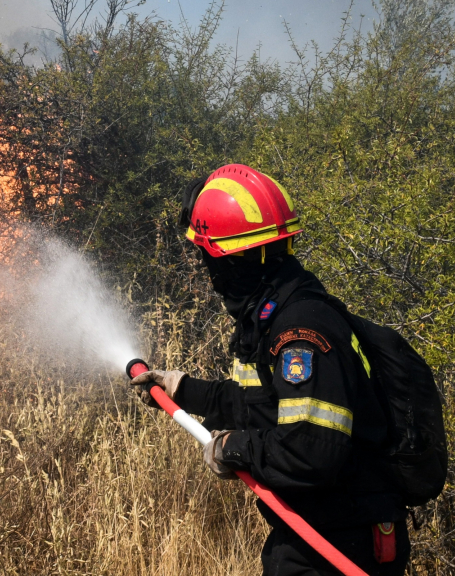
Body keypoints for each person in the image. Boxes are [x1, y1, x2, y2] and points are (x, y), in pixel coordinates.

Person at [130, 164, 410, 575]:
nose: (208, 274)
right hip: (314, 531)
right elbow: (262, 404)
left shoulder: (300, 332)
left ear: (229, 261)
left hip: (341, 544)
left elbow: (312, 451)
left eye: (209, 258)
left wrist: (233, 448)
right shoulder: (274, 313)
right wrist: (182, 389)